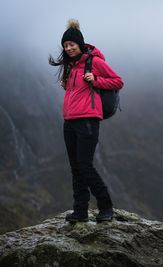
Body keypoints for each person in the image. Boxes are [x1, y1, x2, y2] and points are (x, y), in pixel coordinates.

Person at [48, 19, 124, 223]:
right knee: (75, 167)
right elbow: (78, 92)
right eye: (65, 45)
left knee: (85, 165)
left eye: (71, 44)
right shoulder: (70, 66)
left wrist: (96, 80)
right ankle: (80, 211)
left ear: (80, 44)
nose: (68, 48)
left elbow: (118, 81)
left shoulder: (94, 62)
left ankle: (106, 207)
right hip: (70, 121)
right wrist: (67, 86)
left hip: (88, 120)